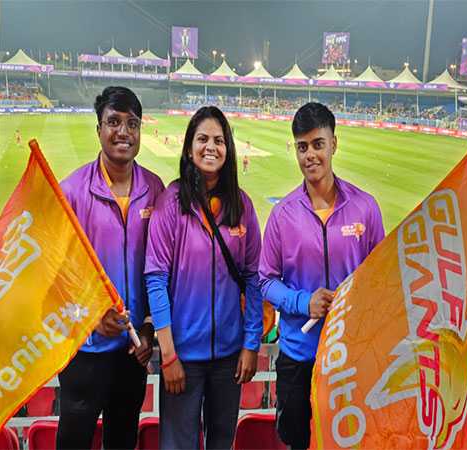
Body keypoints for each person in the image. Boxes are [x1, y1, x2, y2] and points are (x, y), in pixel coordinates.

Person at [259, 102, 384, 450]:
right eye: (302, 146)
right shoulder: (282, 214)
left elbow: (381, 278)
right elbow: (266, 280)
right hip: (298, 357)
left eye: (317, 144)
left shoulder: (365, 207)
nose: (310, 155)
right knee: (298, 443)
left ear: (334, 144)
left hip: (351, 358)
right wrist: (304, 302)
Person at [145, 106, 263, 450]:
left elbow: (254, 279)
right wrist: (167, 355)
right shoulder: (171, 203)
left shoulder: (242, 206)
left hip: (229, 358)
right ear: (188, 147)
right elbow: (155, 278)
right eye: (202, 139)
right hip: (182, 358)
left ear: (228, 149)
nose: (211, 147)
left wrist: (251, 343)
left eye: (219, 140)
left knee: (221, 443)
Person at [57, 86, 164, 450]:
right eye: (114, 122)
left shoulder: (154, 189)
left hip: (133, 351)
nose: (123, 132)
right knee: (74, 441)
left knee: (122, 441)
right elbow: (56, 275)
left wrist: (149, 330)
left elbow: (160, 270)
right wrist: (90, 316)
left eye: (132, 124)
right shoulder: (71, 191)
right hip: (84, 350)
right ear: (99, 128)